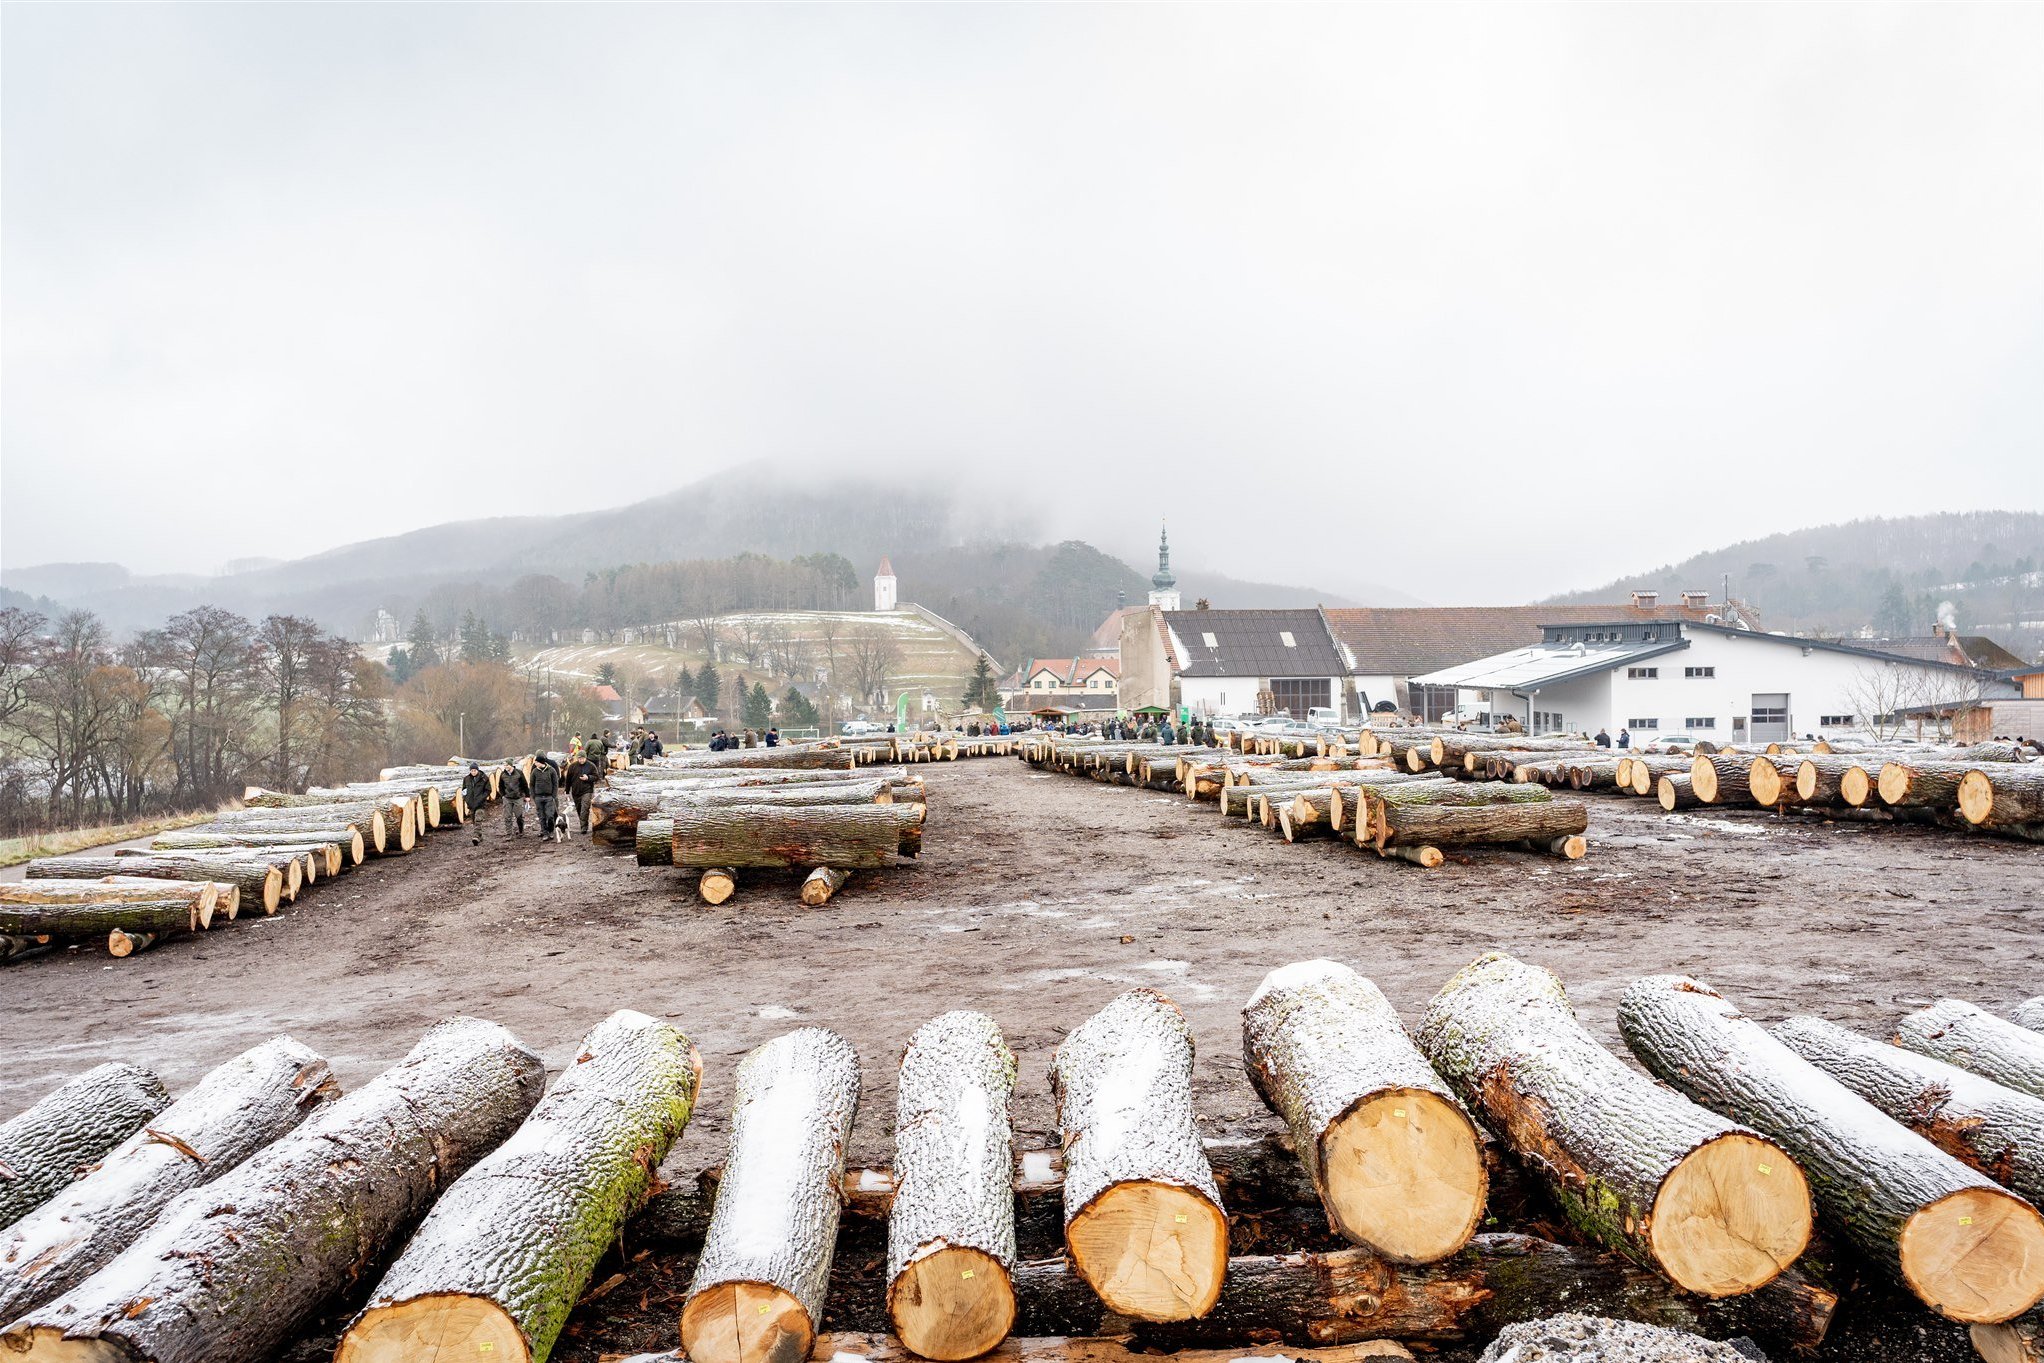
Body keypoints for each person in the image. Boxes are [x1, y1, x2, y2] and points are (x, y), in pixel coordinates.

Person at [565, 748, 601, 834]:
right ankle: (583, 824)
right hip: (576, 791)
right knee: (579, 809)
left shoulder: (591, 765)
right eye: (579, 758)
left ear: (586, 758)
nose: (581, 760)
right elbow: (568, 780)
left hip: (587, 790)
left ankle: (584, 827)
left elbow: (596, 777)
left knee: (584, 809)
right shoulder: (572, 766)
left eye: (582, 758)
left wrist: (588, 778)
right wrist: (567, 791)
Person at [530, 751, 561, 841]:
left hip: (549, 797)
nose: (535, 764)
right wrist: (534, 796)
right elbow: (531, 784)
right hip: (538, 797)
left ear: (541, 762)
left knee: (550, 816)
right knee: (541, 816)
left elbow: (556, 783)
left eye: (536, 762)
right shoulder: (535, 771)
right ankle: (545, 832)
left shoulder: (551, 770)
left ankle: (551, 831)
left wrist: (553, 795)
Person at [499, 759, 530, 838]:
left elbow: (525, 785)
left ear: (511, 765)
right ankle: (509, 834)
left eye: (507, 765)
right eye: (504, 765)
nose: (506, 767)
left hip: (518, 797)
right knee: (507, 816)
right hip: (507, 798)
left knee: (519, 816)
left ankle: (521, 831)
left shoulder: (519, 773)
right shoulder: (503, 774)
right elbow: (500, 786)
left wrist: (527, 796)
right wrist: (503, 795)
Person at [462, 763, 491, 847]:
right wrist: (466, 799)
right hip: (471, 804)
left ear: (477, 770)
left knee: (478, 819)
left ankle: (475, 837)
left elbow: (488, 790)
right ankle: (480, 835)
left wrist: (482, 798)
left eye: (474, 770)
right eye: (472, 770)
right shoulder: (466, 779)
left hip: (480, 803)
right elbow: (464, 790)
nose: (473, 772)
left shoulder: (484, 778)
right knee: (474, 821)